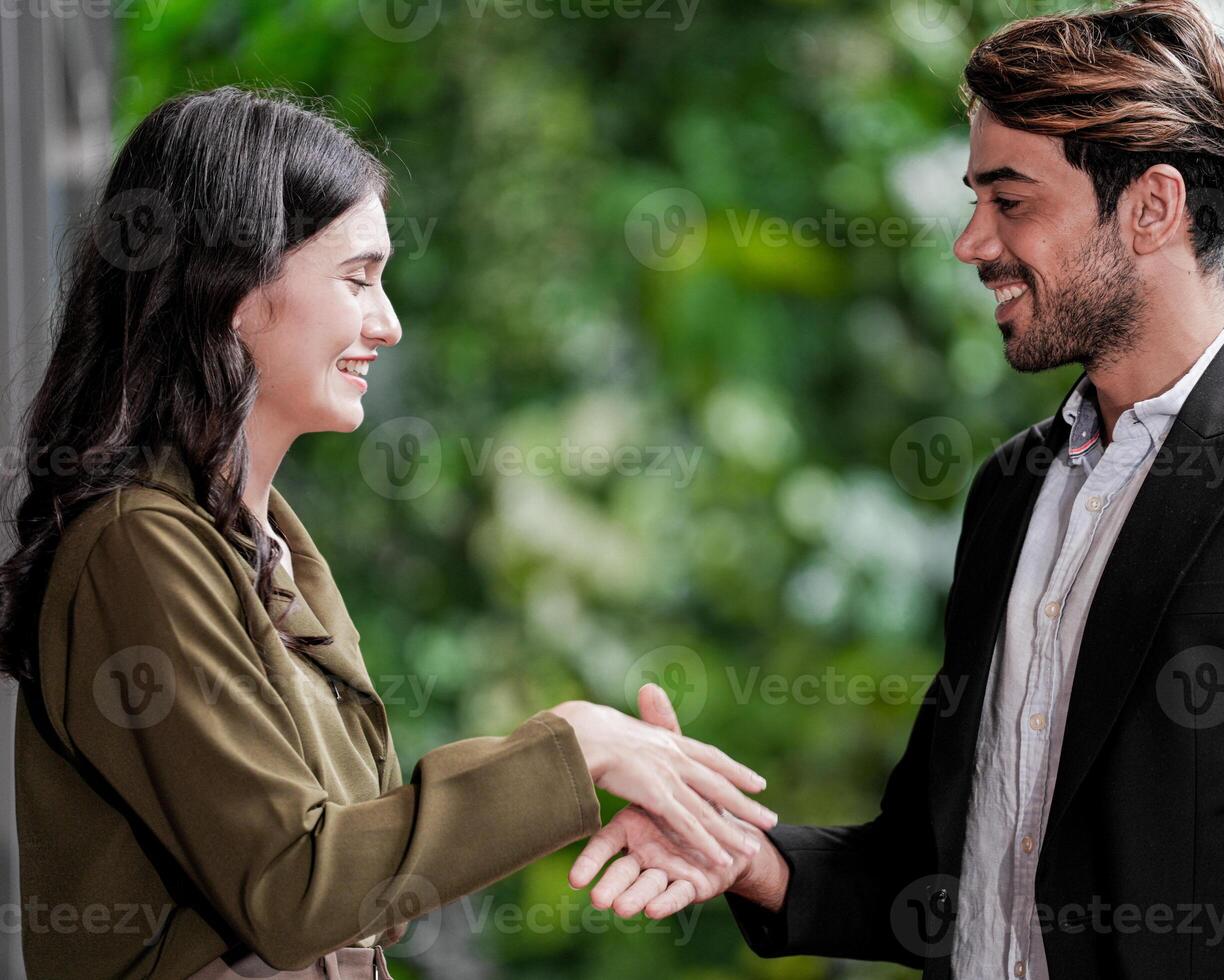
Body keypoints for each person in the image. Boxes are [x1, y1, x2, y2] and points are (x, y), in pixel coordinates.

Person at [571, 2, 1224, 977]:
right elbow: (937, 869)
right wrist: (748, 856)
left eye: (1011, 200)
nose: (971, 242)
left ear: (1154, 207)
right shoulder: (1013, 488)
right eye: (974, 199)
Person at [0, 86, 775, 980]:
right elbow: (297, 891)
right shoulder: (137, 547)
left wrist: (580, 786)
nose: (388, 323)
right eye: (357, 277)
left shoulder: (264, 548)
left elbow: (357, 882)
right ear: (233, 286)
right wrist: (572, 747)